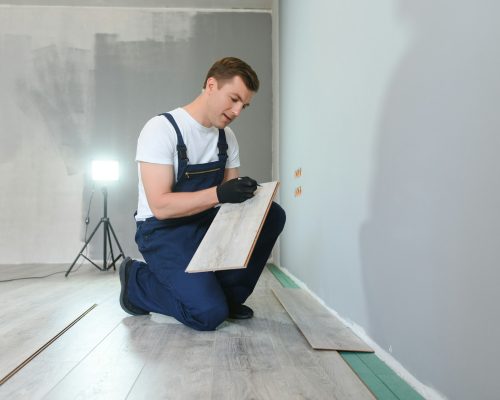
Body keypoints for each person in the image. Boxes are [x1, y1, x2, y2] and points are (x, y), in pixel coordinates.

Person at [119, 57, 286, 331]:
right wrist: (221, 193)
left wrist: (245, 194)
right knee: (207, 315)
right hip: (163, 231)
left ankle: (228, 298)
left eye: (243, 105)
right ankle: (137, 282)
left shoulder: (227, 137)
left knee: (273, 214)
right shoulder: (162, 129)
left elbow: (230, 207)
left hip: (205, 224)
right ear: (211, 85)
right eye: (233, 99)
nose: (236, 111)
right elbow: (161, 205)